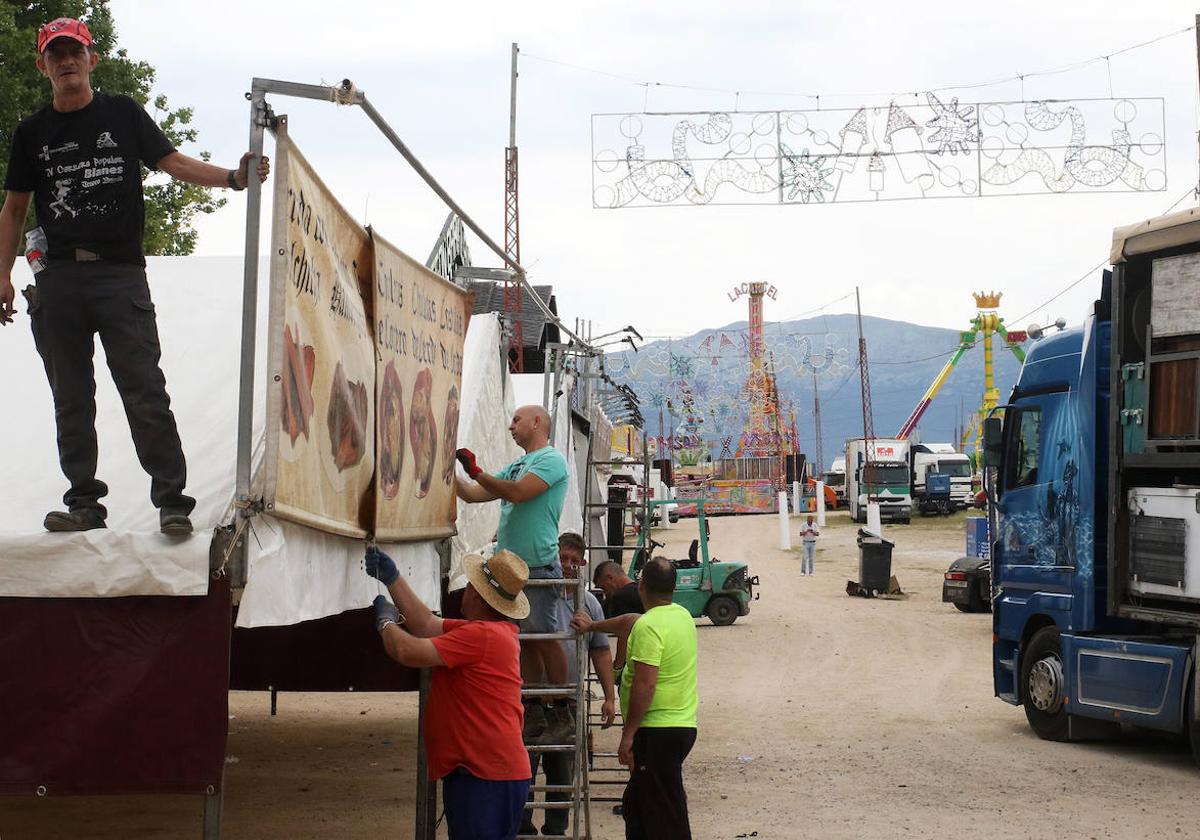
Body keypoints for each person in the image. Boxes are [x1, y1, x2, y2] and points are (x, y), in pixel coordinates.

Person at [0, 17, 270, 535]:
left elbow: (173, 163)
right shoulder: (32, 132)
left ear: (91, 59)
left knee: (144, 389)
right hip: (58, 278)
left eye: (73, 52)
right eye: (55, 55)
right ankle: (84, 503)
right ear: (43, 67)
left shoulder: (121, 113)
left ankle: (172, 502)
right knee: (70, 396)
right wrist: (3, 275)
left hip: (120, 277)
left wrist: (234, 178)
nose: (66, 63)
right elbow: (14, 210)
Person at [366, 545, 531, 840]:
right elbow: (426, 624)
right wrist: (393, 580)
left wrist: (385, 622)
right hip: (492, 772)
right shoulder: (492, 632)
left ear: (477, 596)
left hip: (483, 776)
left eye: (469, 586)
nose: (464, 591)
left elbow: (406, 650)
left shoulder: (480, 635)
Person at [455, 405, 573, 743]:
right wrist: (450, 477)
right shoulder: (519, 464)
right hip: (511, 569)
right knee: (526, 642)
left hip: (535, 563)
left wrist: (476, 472)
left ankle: (561, 706)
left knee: (543, 637)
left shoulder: (551, 460)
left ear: (537, 422)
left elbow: (518, 494)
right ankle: (535, 706)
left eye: (516, 420)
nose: (511, 426)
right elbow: (476, 494)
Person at [572, 558, 698, 840]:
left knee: (665, 811)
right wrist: (592, 627)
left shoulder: (649, 627)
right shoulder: (681, 617)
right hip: (681, 726)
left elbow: (645, 683)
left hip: (657, 731)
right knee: (636, 806)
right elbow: (629, 621)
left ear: (641, 585)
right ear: (674, 588)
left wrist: (628, 734)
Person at [520, 531, 617, 837]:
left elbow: (601, 651)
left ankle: (556, 829)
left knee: (562, 769)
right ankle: (521, 827)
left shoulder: (587, 602)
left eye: (575, 560)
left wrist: (609, 697)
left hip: (569, 699)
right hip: (531, 698)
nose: (568, 565)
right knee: (523, 767)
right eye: (563, 558)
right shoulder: (530, 596)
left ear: (584, 563)